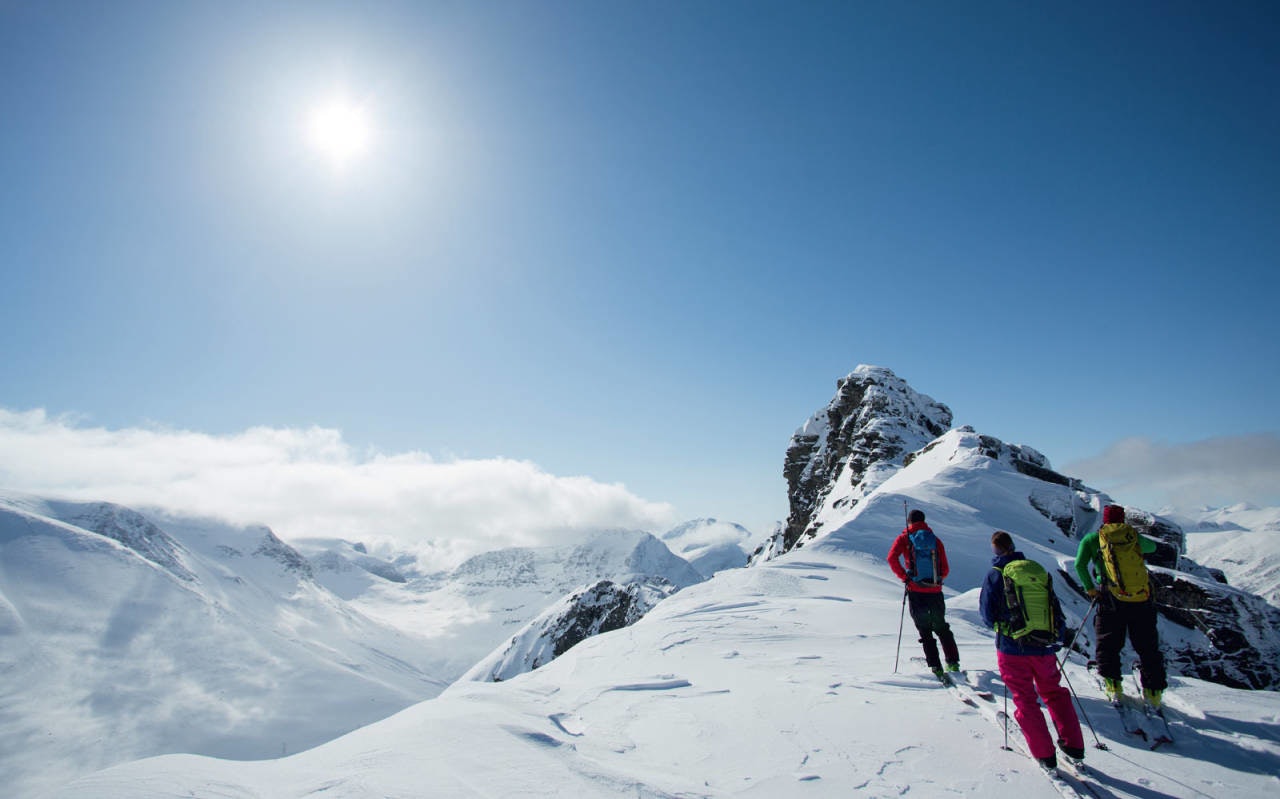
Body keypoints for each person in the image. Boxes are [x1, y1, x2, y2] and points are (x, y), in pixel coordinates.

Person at [981, 531, 1085, 771]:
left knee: (1025, 698)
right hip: (1044, 646)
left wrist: (1002, 627)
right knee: (1055, 693)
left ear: (995, 550)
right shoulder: (1036, 570)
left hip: (1012, 648)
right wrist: (1056, 640)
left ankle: (1045, 755)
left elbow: (987, 615)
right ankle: (1074, 747)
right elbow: (1053, 606)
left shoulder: (995, 574)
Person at [1074, 504, 1167, 706]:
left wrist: (1091, 589)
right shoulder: (1131, 536)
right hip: (1141, 598)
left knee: (1109, 643)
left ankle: (1113, 686)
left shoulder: (1093, 539)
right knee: (1147, 646)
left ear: (1104, 520)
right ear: (1122, 519)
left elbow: (1079, 564)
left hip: (1111, 598)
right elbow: (1153, 548)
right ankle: (1153, 693)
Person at [887, 508, 960, 677]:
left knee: (925, 630)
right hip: (935, 591)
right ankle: (953, 662)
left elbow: (891, 558)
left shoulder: (905, 538)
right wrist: (937, 581)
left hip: (915, 590)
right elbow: (945, 567)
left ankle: (935, 666)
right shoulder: (934, 540)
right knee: (941, 627)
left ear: (909, 522)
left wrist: (905, 578)